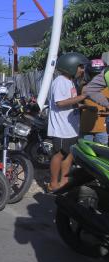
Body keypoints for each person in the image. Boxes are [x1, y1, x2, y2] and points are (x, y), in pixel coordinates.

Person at [47, 52, 89, 192]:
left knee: (69, 154)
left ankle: (63, 181)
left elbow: (70, 102)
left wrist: (82, 106)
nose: (82, 70)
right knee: (59, 154)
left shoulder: (70, 81)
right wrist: (82, 96)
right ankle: (53, 184)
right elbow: (60, 103)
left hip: (70, 128)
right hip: (61, 128)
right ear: (71, 65)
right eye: (80, 67)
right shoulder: (60, 81)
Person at [80, 59, 109, 145]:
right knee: (85, 155)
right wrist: (85, 107)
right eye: (93, 75)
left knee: (101, 155)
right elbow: (75, 104)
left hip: (102, 130)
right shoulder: (84, 88)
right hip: (86, 127)